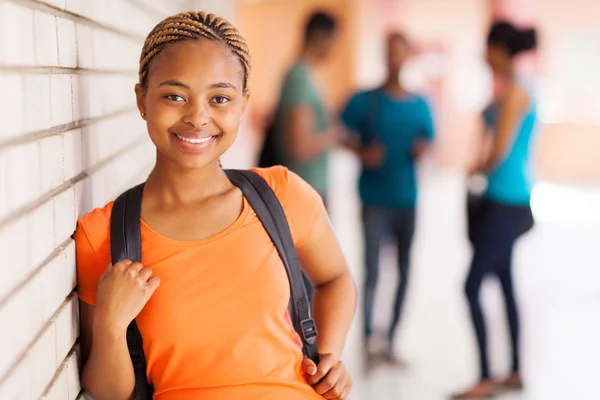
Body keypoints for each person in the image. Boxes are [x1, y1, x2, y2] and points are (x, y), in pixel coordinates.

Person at [75, 11, 356, 400]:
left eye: (219, 98)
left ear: (243, 104)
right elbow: (109, 393)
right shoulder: (104, 235)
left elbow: (336, 278)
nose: (197, 117)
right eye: (174, 96)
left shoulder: (283, 195)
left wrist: (330, 356)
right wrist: (109, 323)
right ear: (142, 99)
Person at [452, 21, 538, 399]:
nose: (483, 56)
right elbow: (488, 120)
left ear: (499, 50)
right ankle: (515, 371)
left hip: (505, 200)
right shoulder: (512, 89)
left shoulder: (517, 91)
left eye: (487, 49)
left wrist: (475, 169)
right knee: (504, 283)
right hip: (508, 199)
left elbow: (498, 150)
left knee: (471, 287)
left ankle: (486, 376)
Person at [340, 32, 435, 364]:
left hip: (407, 199)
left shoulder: (421, 103)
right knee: (372, 271)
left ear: (408, 57)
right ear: (384, 56)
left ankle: (391, 341)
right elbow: (339, 132)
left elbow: (431, 142)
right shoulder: (365, 100)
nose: (395, 60)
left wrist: (423, 150)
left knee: (405, 271)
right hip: (374, 199)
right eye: (389, 53)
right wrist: (361, 152)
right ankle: (368, 341)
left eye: (400, 54)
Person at [271, 10, 342, 207]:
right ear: (320, 37)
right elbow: (299, 147)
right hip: (304, 190)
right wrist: (334, 134)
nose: (335, 49)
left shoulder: (307, 75)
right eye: (334, 41)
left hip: (310, 187)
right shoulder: (299, 78)